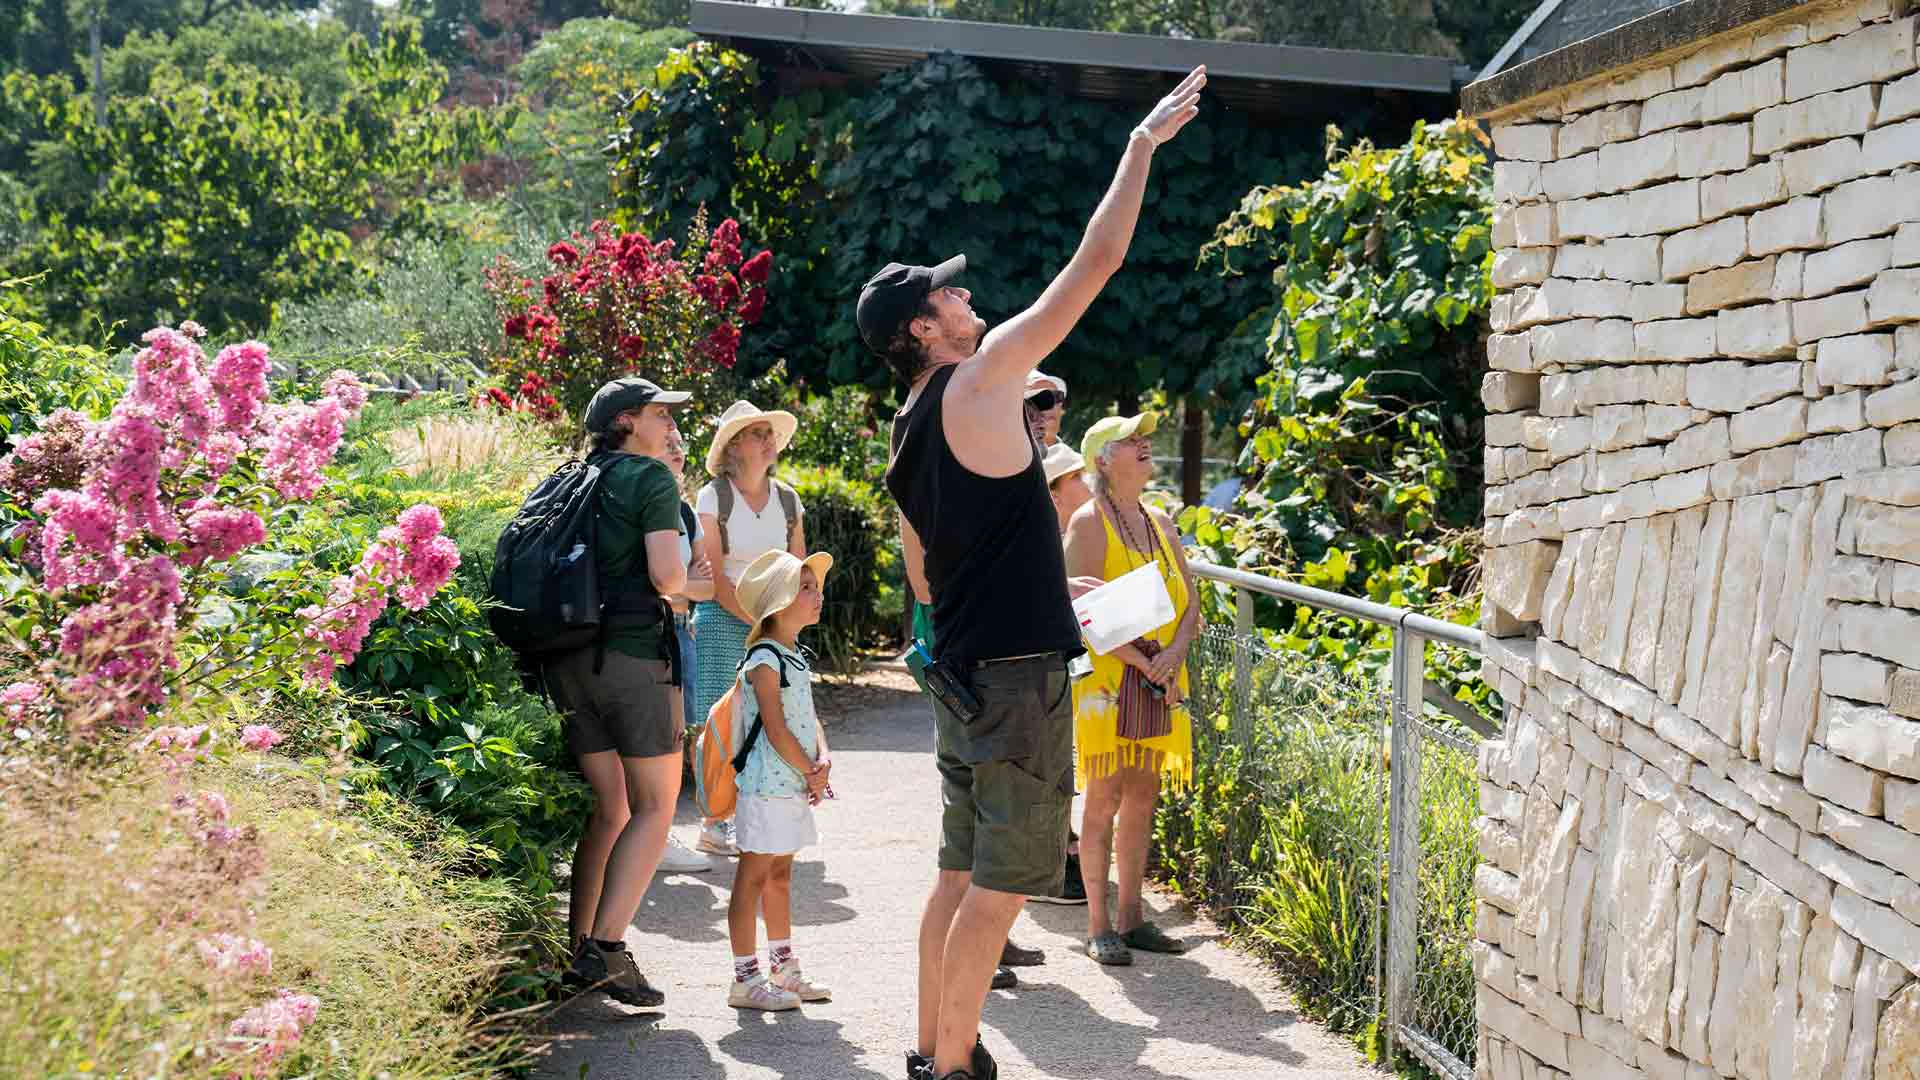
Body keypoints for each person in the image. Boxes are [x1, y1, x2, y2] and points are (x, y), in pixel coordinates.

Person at [862, 66, 1207, 1080]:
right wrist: (1139, 148)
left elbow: (946, 570)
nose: (968, 296)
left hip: (967, 673)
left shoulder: (909, 423)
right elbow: (1092, 267)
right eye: (950, 293)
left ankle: (934, 1049)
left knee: (958, 875)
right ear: (923, 329)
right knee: (999, 891)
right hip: (1014, 685)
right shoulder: (979, 381)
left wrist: (1063, 597)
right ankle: (953, 1067)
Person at [556, 377, 692, 1009]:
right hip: (634, 659)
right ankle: (606, 950)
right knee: (656, 807)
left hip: (569, 660)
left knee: (610, 809)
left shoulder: (573, 479)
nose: (670, 426)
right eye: (660, 415)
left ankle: (575, 946)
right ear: (627, 421)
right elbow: (669, 578)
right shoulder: (650, 480)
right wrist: (701, 586)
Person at [1063, 413, 1200, 967]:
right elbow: (1078, 611)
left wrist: (1172, 657)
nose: (1145, 445)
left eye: (1145, 439)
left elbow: (1190, 603)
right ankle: (1099, 927)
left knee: (1144, 795)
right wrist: (1144, 665)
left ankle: (1133, 918)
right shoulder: (1086, 523)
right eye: (1131, 440)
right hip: (1112, 682)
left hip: (1162, 677)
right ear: (1103, 460)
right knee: (1103, 798)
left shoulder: (1161, 520)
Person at [692, 400, 807, 857]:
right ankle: (713, 820)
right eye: (759, 433)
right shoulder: (713, 497)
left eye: (769, 432)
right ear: (735, 445)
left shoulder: (788, 500)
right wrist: (761, 618)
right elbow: (713, 575)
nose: (769, 440)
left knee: (768, 718)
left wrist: (780, 621)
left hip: (774, 624)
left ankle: (754, 818)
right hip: (725, 620)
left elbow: (799, 568)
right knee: (721, 723)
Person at [725, 549, 837, 1012]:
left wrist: (823, 760)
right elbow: (775, 727)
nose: (818, 595)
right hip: (767, 786)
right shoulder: (764, 658)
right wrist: (811, 771)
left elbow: (809, 720)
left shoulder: (793, 656)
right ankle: (745, 979)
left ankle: (783, 970)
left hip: (790, 783)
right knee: (751, 877)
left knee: (780, 875)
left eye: (817, 586)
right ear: (779, 601)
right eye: (806, 588)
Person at [657, 430, 716, 875]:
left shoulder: (685, 512)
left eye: (680, 443)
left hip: (682, 629)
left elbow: (706, 587)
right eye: (668, 442)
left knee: (678, 734)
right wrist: (679, 584)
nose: (677, 449)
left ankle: (662, 833)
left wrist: (672, 586)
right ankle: (653, 834)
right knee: (652, 735)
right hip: (650, 630)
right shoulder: (643, 507)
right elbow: (658, 585)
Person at [1042, 442, 1092, 534]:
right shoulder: (1043, 546)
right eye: (1076, 475)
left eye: (1085, 472)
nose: (1088, 478)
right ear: (1053, 497)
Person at [1024, 372, 1067, 447]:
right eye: (1038, 398)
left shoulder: (1078, 458)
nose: (1050, 404)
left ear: (1062, 410)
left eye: (1057, 396)